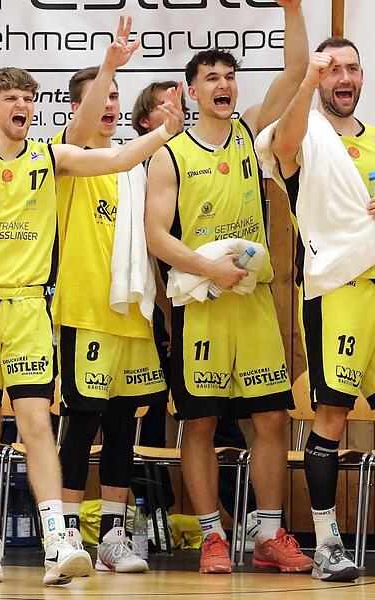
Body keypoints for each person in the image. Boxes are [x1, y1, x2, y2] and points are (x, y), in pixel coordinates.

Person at [0, 50, 183, 584]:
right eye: (11, 98)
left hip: (29, 307)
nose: (23, 106)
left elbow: (119, 161)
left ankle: (57, 539)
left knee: (37, 422)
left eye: (29, 99)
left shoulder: (50, 156)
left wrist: (163, 135)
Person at [144, 0, 312, 575]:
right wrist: (209, 268)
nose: (224, 84)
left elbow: (296, 70)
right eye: (211, 77)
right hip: (203, 304)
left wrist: (292, 10)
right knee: (199, 424)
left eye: (229, 76)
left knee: (271, 419)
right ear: (191, 92)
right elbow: (156, 236)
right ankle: (213, 537)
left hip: (254, 302)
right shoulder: (170, 155)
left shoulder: (250, 133)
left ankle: (267, 534)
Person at [51, 21, 170, 574]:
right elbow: (79, 129)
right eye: (102, 97)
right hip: (87, 310)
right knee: (83, 423)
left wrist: (164, 311)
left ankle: (114, 537)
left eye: (118, 97)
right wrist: (109, 67)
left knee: (125, 425)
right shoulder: (69, 157)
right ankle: (67, 535)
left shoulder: (135, 165)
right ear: (79, 107)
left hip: (133, 313)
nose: (111, 104)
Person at [266, 38, 374, 582]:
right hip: (338, 289)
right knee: (332, 415)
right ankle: (328, 544)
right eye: (334, 70)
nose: (344, 77)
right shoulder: (307, 136)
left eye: (352, 68)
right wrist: (307, 77)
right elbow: (282, 146)